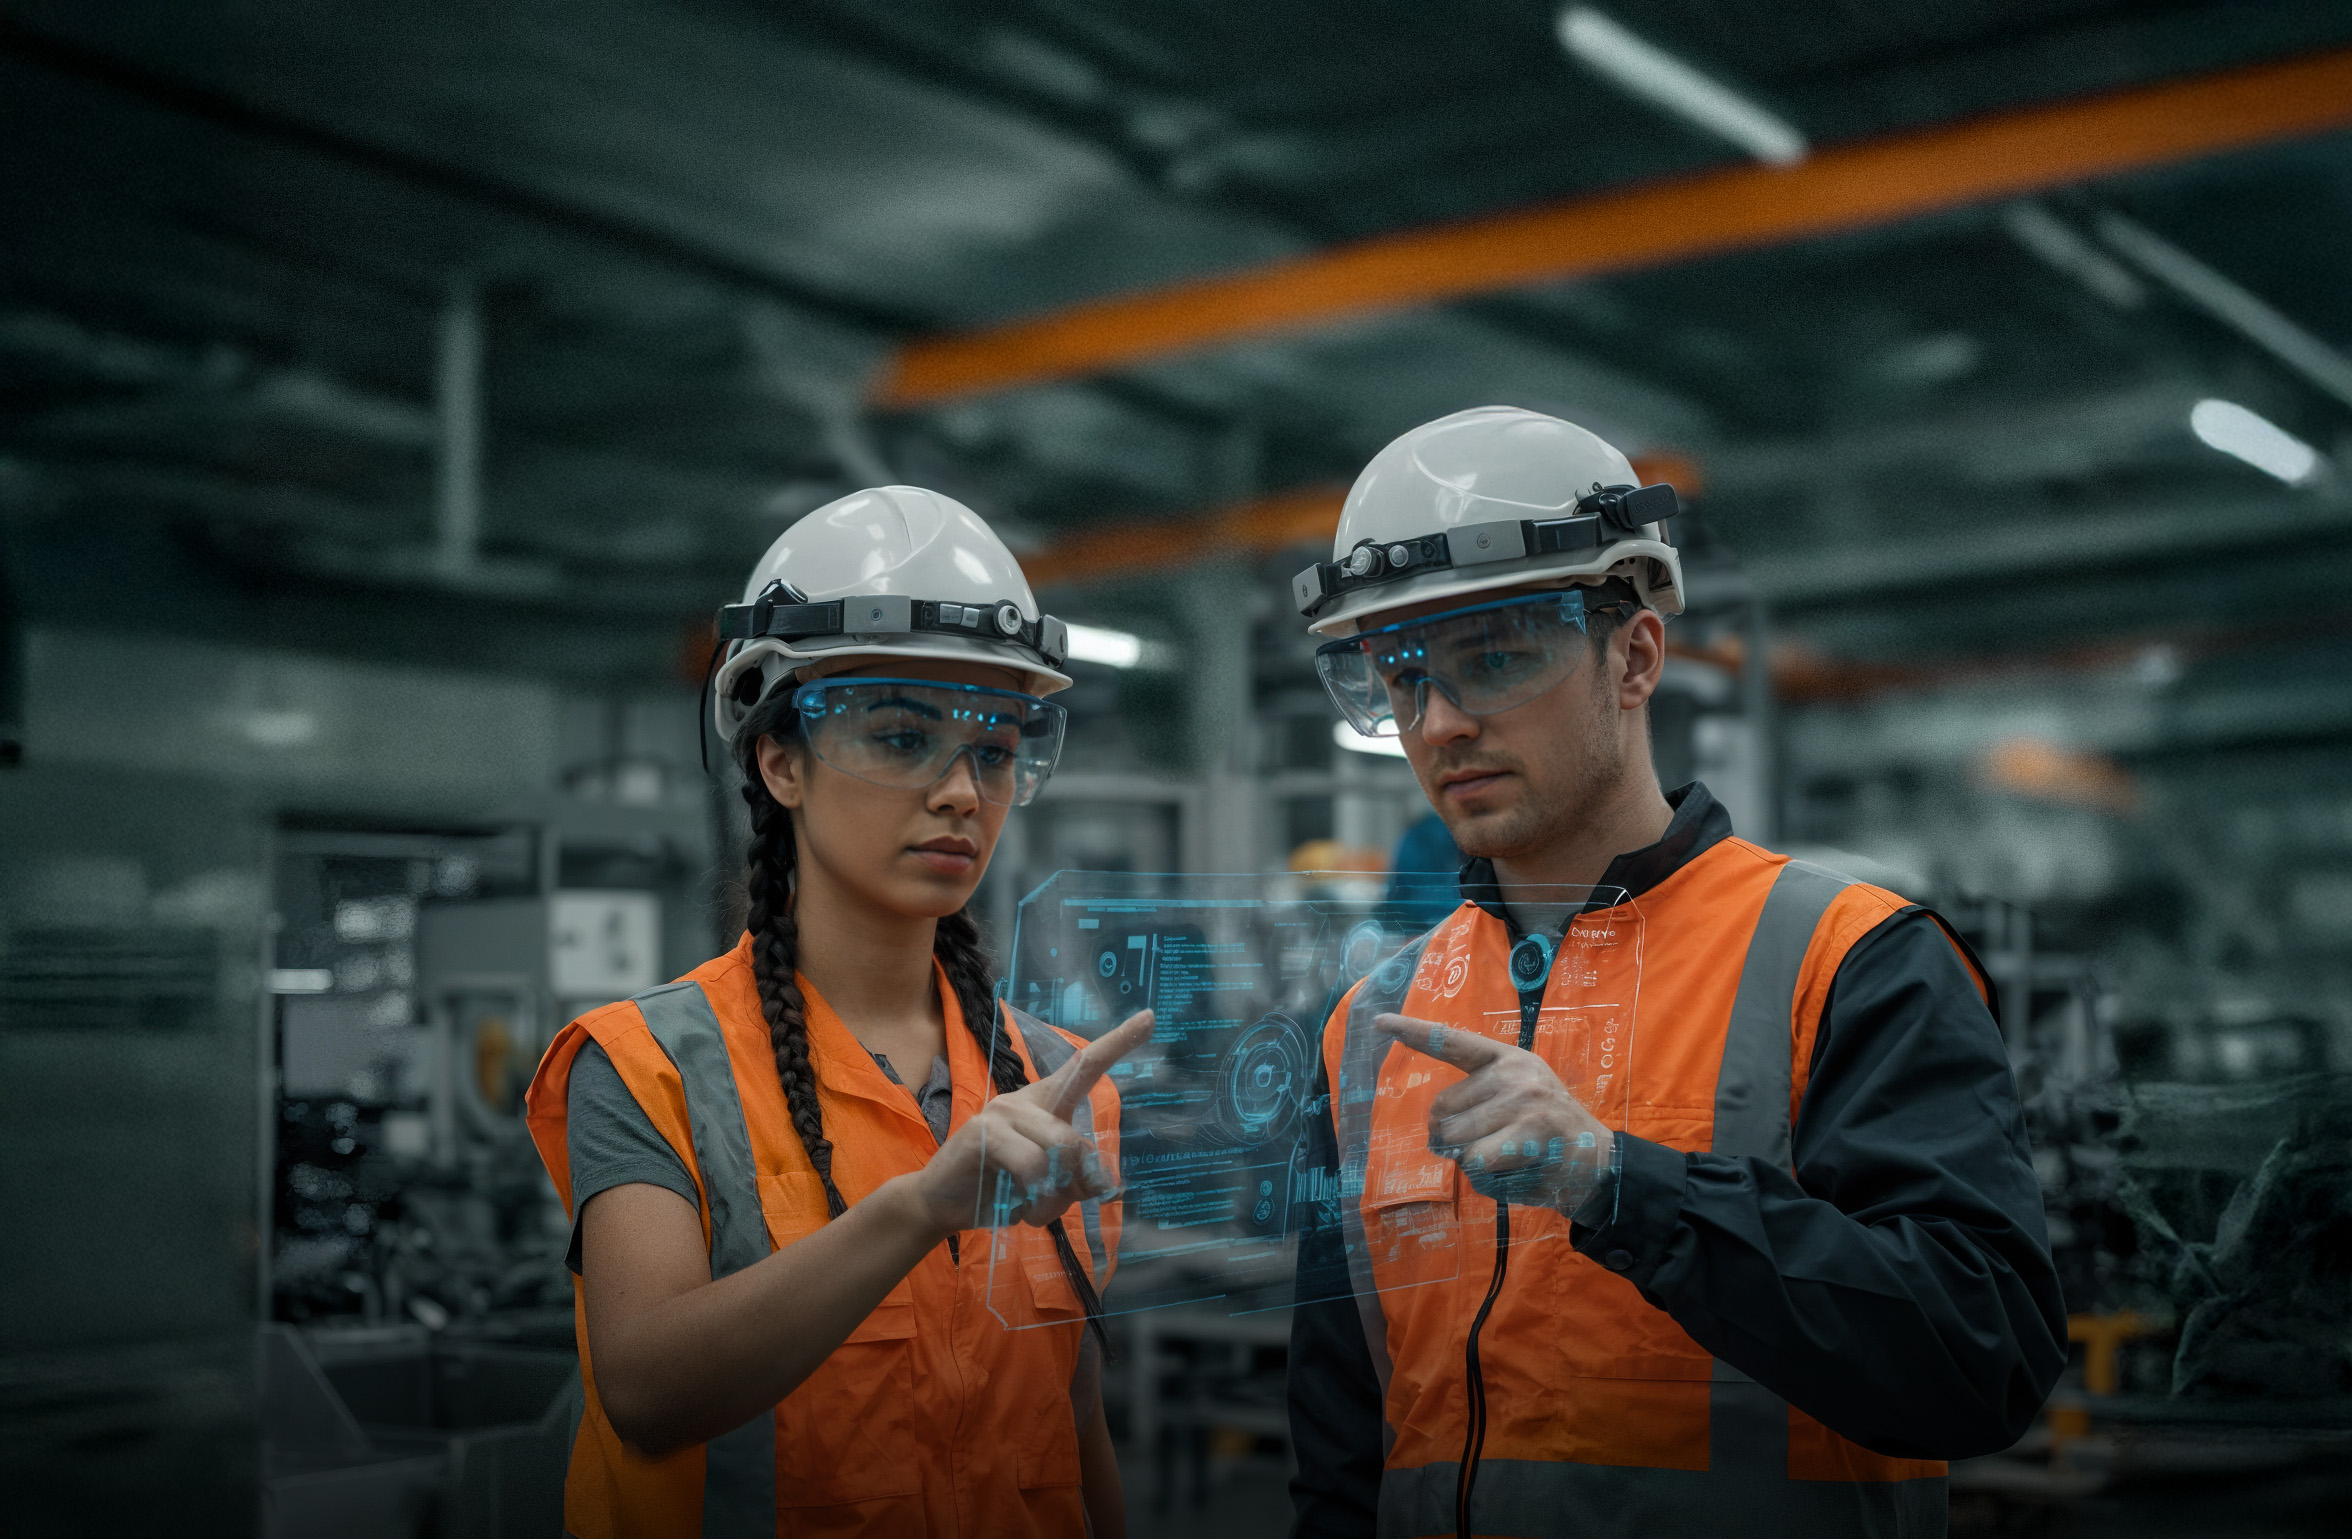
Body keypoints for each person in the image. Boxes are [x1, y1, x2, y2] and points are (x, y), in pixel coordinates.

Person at [1284, 408, 2065, 1538]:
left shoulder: (1849, 961)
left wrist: (1618, 1185)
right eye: (1400, 679)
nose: (1441, 723)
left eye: (1494, 659)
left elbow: (1977, 1359)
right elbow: (1344, 1434)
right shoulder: (1369, 1027)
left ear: (1635, 655)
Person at [525, 486, 1150, 1539]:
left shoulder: (1056, 1078)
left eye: (995, 752)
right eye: (903, 738)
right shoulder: (647, 1069)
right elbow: (646, 1392)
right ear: (780, 763)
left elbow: (1072, 1413)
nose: (961, 791)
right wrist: (917, 1209)